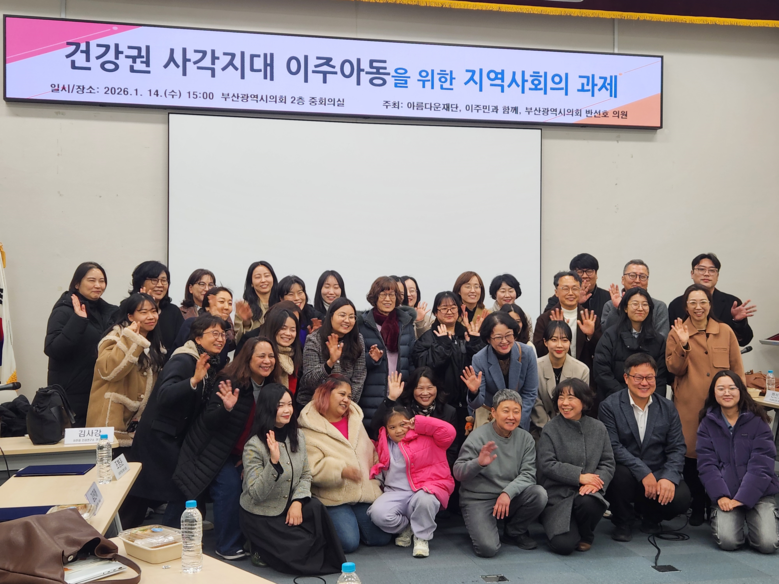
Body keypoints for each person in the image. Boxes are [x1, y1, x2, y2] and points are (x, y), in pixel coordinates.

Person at [171, 337, 280, 561]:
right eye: (261, 356)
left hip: (239, 452)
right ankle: (227, 545)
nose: (267, 361)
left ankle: (258, 540)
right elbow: (209, 420)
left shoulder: (271, 388)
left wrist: (249, 457)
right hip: (209, 450)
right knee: (229, 485)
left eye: (271, 356)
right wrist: (226, 408)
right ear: (248, 358)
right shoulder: (230, 381)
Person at [128, 314, 227, 528]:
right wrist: (193, 381)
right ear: (198, 338)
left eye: (223, 334)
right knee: (170, 489)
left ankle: (178, 532)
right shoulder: (183, 359)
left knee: (174, 490)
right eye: (215, 334)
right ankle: (171, 533)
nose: (220, 339)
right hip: (159, 437)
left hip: (173, 435)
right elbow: (165, 395)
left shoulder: (206, 360)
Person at [240, 383, 347, 574]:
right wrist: (273, 463)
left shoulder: (297, 435)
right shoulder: (254, 446)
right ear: (268, 407)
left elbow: (305, 475)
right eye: (280, 405)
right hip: (263, 513)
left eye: (289, 404)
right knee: (300, 548)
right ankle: (257, 545)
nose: (287, 410)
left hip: (289, 503)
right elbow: (256, 494)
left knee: (316, 508)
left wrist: (297, 502)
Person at [666, 284, 745, 526]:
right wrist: (683, 344)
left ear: (710, 305)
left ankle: (716, 501)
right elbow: (673, 368)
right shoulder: (677, 332)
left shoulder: (725, 331)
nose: (698, 307)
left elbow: (737, 369)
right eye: (693, 302)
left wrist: (742, 403)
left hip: (722, 406)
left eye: (703, 302)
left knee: (720, 453)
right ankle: (697, 504)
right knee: (692, 453)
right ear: (685, 306)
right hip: (689, 405)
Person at [599, 353, 690, 542]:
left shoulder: (667, 407)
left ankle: (651, 518)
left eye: (649, 377)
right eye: (638, 377)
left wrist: (668, 476)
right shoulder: (610, 406)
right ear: (626, 378)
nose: (644, 383)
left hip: (658, 471)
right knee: (617, 474)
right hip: (628, 472)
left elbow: (677, 447)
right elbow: (612, 446)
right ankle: (623, 522)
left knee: (681, 496)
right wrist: (643, 471)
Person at [297, 375, 391, 553]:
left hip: (363, 493)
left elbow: (371, 451)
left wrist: (377, 471)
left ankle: (352, 522)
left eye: (349, 396)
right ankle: (330, 523)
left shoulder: (355, 420)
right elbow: (311, 468)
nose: (347, 400)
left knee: (380, 538)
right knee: (348, 543)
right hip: (333, 498)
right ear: (325, 394)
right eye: (342, 394)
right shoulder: (309, 428)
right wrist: (341, 471)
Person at [454, 389, 547, 556]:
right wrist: (478, 463)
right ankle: (485, 525)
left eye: (516, 411)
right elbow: (458, 473)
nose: (511, 416)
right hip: (478, 499)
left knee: (539, 494)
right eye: (506, 411)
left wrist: (507, 493)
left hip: (509, 497)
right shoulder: (478, 436)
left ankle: (513, 531)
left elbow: (528, 474)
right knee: (488, 549)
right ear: (494, 412)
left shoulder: (526, 438)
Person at [696, 371, 779, 554]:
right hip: (726, 493)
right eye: (721, 388)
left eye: (732, 388)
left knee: (767, 544)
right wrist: (721, 496)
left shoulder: (757, 421)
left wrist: (742, 498)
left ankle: (753, 517)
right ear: (714, 393)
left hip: (760, 493)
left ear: (740, 391)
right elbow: (707, 465)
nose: (727, 393)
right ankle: (737, 519)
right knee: (728, 542)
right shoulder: (707, 424)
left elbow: (762, 466)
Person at [537, 378, 615, 555]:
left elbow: (608, 462)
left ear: (584, 401)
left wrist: (595, 483)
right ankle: (558, 525)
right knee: (563, 546)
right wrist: (578, 476)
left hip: (586, 493)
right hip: (558, 496)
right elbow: (547, 464)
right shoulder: (550, 428)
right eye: (561, 397)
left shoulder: (598, 428)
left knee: (590, 501)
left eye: (571, 398)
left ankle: (586, 534)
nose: (565, 403)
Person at [367, 404, 455, 558]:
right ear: (386, 429)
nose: (398, 430)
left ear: (411, 421)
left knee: (426, 500)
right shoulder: (383, 443)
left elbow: (449, 432)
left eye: (403, 424)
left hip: (424, 488)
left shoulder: (427, 437)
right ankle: (407, 527)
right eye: (392, 427)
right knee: (377, 514)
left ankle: (422, 537)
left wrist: (420, 423)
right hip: (395, 492)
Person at [87, 293, 164, 450]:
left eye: (154, 311)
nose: (151, 316)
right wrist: (130, 338)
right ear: (130, 316)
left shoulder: (155, 345)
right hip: (110, 423)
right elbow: (109, 371)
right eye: (143, 312)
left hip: (136, 427)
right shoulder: (115, 338)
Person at [45, 262, 117, 427]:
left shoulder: (106, 311)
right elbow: (53, 349)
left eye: (102, 281)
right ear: (77, 284)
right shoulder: (64, 310)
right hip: (71, 397)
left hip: (98, 391)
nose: (98, 285)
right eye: (91, 280)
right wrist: (78, 320)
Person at [411, 291, 484, 447]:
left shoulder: (468, 334)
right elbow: (424, 368)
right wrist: (443, 344)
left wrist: (474, 343)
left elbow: (481, 365)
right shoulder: (427, 339)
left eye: (453, 307)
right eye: (444, 308)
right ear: (436, 312)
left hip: (467, 406)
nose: (449, 311)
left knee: (467, 450)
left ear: (459, 310)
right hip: (439, 407)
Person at [358, 276, 417, 430]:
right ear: (374, 297)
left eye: (392, 295)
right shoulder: (363, 324)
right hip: (372, 394)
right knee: (373, 435)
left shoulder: (406, 323)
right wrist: (371, 359)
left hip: (401, 394)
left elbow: (411, 360)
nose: (388, 299)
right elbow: (355, 363)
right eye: (383, 294)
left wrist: (410, 392)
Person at [464, 311, 537, 431]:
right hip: (491, 420)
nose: (504, 341)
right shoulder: (479, 359)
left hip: (519, 420)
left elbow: (530, 393)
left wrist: (516, 420)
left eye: (508, 335)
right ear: (488, 339)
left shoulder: (527, 353)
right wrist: (474, 392)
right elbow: (477, 403)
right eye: (498, 337)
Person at [370, 368, 459, 466]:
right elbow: (375, 427)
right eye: (420, 388)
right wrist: (391, 398)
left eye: (430, 387)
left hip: (435, 469)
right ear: (412, 389)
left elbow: (452, 450)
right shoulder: (402, 408)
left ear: (437, 388)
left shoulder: (449, 412)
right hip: (404, 467)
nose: (425, 393)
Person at [593, 288, 667, 402]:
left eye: (645, 304)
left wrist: (653, 401)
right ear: (625, 308)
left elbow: (660, 377)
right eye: (635, 304)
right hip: (615, 400)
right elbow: (601, 371)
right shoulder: (610, 335)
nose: (640, 308)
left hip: (648, 402)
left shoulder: (658, 340)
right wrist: (625, 396)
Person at [668, 254, 756, 347]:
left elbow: (744, 341)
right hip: (688, 355)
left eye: (712, 270)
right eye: (701, 269)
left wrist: (738, 322)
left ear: (717, 276)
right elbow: (671, 341)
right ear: (692, 273)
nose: (706, 274)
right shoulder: (677, 304)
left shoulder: (731, 303)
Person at [299, 298, 366, 406]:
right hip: (313, 404)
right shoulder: (314, 339)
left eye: (351, 317)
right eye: (342, 315)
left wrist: (343, 403)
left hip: (345, 405)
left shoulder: (357, 339)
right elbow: (309, 380)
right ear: (330, 316)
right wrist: (330, 362)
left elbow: (359, 378)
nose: (347, 320)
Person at [533, 271, 601, 374]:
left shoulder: (589, 317)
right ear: (556, 292)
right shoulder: (545, 319)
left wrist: (591, 336)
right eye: (565, 288)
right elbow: (539, 352)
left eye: (575, 288)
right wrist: (554, 330)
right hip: (553, 373)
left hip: (583, 374)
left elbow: (600, 351)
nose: (570, 293)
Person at [530, 321, 589, 438]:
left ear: (570, 342)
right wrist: (551, 430)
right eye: (554, 340)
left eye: (564, 340)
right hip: (541, 431)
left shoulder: (582, 370)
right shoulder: (534, 367)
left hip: (572, 430)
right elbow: (535, 402)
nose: (559, 345)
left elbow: (580, 404)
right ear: (545, 342)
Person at [601, 259, 670, 337]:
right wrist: (618, 308)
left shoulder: (659, 306)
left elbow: (662, 338)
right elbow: (606, 334)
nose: (637, 280)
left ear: (647, 281)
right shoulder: (610, 305)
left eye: (642, 277)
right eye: (632, 276)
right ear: (623, 280)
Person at [173, 287, 235, 368]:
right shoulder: (192, 323)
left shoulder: (224, 334)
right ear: (207, 306)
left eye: (230, 303)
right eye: (221, 302)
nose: (226, 307)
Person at [130, 261, 183, 355]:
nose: (160, 285)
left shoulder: (173, 311)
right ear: (141, 283)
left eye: (164, 280)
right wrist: (144, 302)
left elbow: (181, 344)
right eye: (154, 280)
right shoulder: (128, 308)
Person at [543, 253, 612, 317]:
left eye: (589, 271)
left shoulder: (608, 297)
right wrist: (574, 302)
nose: (584, 276)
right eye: (580, 272)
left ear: (596, 274)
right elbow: (545, 321)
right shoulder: (560, 297)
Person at [259, 305, 302, 394]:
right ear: (272, 328)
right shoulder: (260, 353)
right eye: (283, 328)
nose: (288, 333)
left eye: (292, 330)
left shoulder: (293, 356)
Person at [234, 261, 278, 342]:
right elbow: (238, 341)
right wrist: (246, 323)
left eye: (267, 276)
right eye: (258, 277)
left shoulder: (282, 303)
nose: (263, 280)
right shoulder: (245, 307)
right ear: (251, 283)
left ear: (273, 278)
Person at [273, 275, 323, 345]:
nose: (297, 298)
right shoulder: (274, 317)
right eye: (291, 294)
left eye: (300, 293)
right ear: (281, 298)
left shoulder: (315, 317)